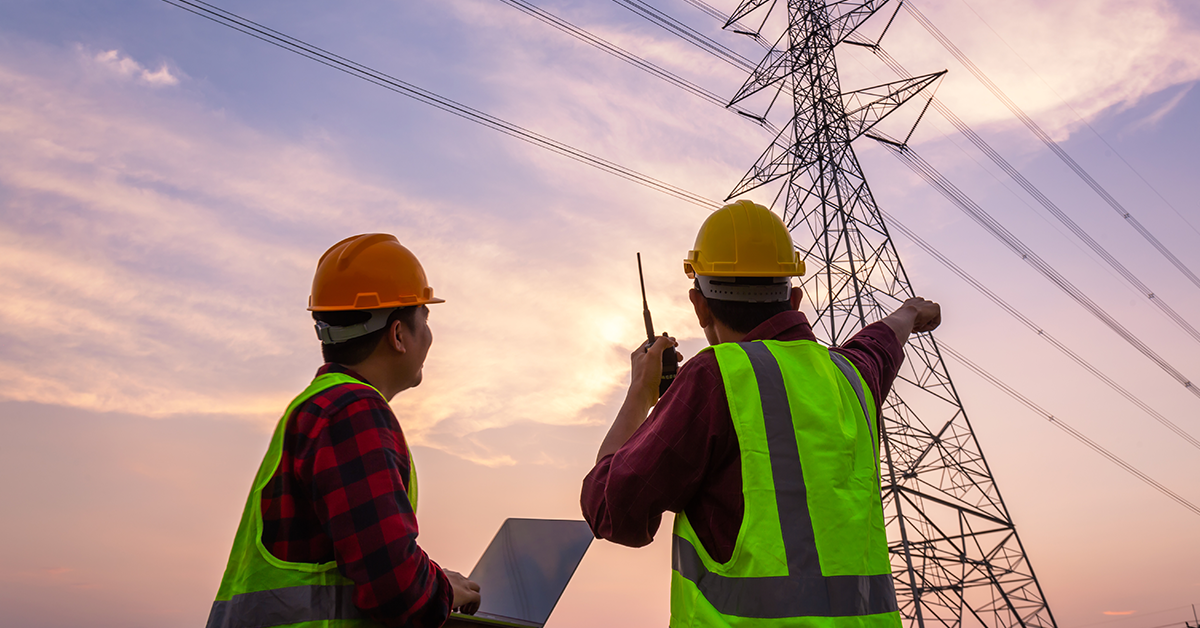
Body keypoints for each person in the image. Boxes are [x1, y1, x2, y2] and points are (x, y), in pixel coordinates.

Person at [581, 200, 940, 627]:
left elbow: (610, 508)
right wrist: (909, 312)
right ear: (795, 298)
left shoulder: (715, 377)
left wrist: (640, 394)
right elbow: (880, 344)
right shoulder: (851, 377)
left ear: (699, 306)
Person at [208, 233, 481, 628]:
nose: (429, 333)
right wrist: (442, 590)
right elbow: (396, 591)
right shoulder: (351, 412)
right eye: (425, 317)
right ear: (398, 335)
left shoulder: (320, 406)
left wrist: (435, 579)